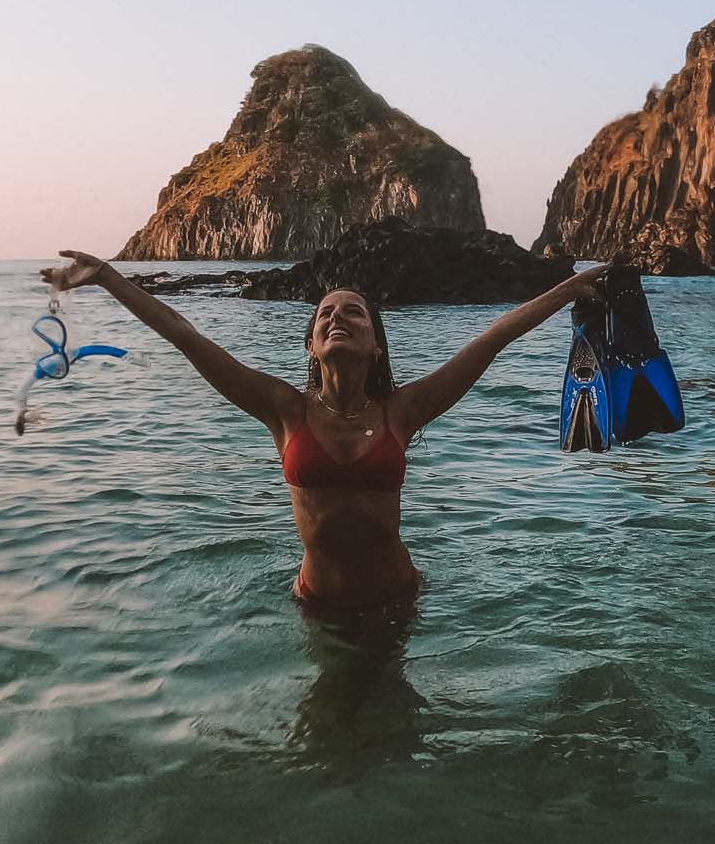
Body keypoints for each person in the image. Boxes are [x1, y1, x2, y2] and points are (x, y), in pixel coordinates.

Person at [43, 250, 608, 615]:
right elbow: (187, 336)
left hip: (397, 599)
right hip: (316, 603)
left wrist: (565, 292)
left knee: (397, 734)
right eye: (324, 314)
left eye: (354, 313)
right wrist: (110, 278)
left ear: (376, 344)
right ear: (313, 346)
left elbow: (491, 339)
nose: (337, 317)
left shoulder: (401, 413)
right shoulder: (283, 410)